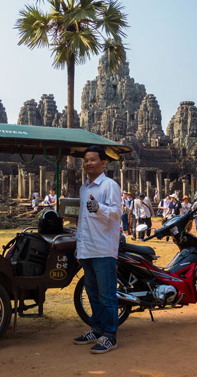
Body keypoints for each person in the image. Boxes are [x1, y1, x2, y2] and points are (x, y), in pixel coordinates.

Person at [73, 145, 121, 354]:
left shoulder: (109, 186)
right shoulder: (84, 188)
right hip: (87, 248)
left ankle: (110, 336)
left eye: (93, 159)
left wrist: (99, 208)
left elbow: (117, 213)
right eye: (86, 160)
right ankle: (97, 328)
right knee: (92, 292)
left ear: (103, 162)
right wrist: (78, 246)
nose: (88, 163)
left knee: (107, 294)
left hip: (103, 248)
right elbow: (82, 219)